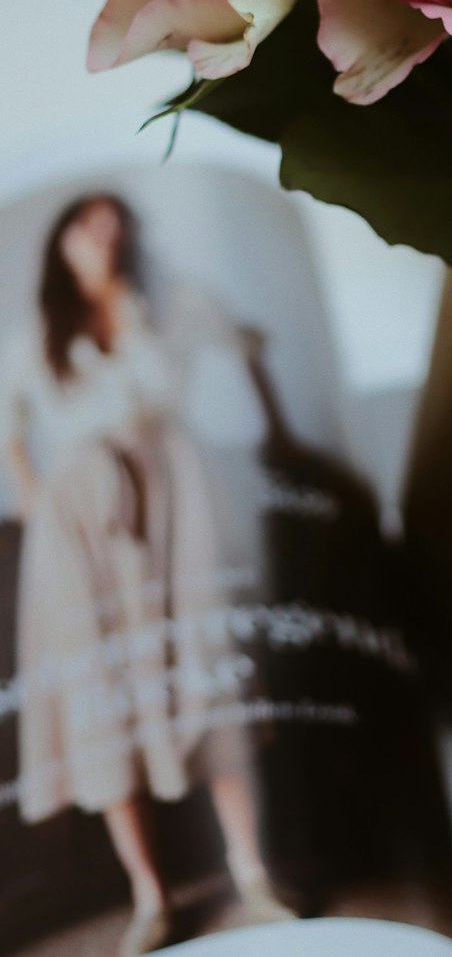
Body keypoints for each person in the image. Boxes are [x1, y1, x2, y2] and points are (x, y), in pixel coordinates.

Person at [1, 194, 296, 956]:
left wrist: (282, 438)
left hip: (178, 507)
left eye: (113, 222)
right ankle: (149, 896)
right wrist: (42, 510)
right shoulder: (34, 340)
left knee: (206, 679)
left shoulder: (171, 306)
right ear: (61, 241)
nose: (102, 235)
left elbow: (247, 347)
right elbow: (12, 436)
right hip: (81, 532)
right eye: (85, 223)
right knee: (104, 701)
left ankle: (252, 871)